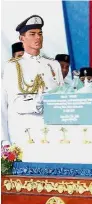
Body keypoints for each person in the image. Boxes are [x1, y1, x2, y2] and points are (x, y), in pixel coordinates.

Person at [1, 15, 64, 144]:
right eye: (32, 34)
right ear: (22, 38)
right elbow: (7, 104)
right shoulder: (13, 66)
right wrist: (4, 140)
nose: (38, 37)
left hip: (52, 133)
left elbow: (61, 97)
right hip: (25, 133)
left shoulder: (53, 65)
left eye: (40, 34)